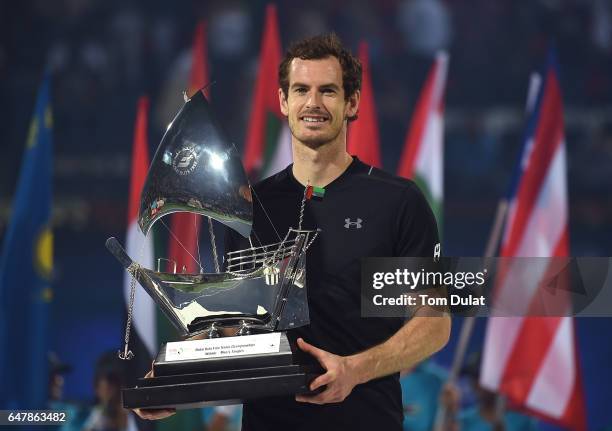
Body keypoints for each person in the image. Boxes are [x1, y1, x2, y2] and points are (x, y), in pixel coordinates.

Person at [135, 33, 450, 430]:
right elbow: (233, 325)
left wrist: (353, 370)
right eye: (301, 90)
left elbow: (435, 321)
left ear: (352, 103)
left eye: (328, 91)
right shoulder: (248, 207)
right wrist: (177, 380)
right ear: (284, 101)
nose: (313, 103)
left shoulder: (398, 202)